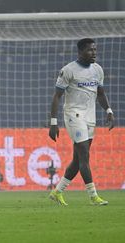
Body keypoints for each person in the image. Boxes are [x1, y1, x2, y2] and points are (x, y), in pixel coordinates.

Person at [48, 38, 115, 206]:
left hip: (90, 117)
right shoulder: (69, 70)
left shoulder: (97, 70)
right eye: (90, 50)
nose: (94, 53)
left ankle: (57, 192)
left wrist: (108, 110)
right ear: (80, 52)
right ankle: (93, 196)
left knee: (78, 160)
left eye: (95, 49)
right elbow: (57, 96)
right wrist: (53, 122)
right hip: (73, 115)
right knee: (84, 155)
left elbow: (100, 93)